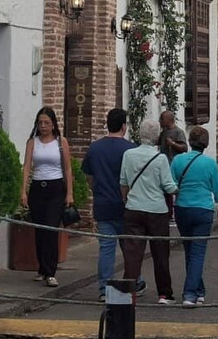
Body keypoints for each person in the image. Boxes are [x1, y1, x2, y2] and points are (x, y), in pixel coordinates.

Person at [120, 118, 179, 304]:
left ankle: (128, 293)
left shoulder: (128, 155)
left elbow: (123, 182)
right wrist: (178, 188)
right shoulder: (160, 158)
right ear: (156, 137)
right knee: (160, 253)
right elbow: (168, 186)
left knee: (132, 254)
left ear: (140, 134)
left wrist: (126, 199)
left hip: (134, 208)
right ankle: (164, 293)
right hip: (156, 210)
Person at [82, 108, 138, 300]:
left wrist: (96, 191)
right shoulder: (131, 149)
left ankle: (104, 289)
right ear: (124, 126)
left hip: (103, 202)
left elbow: (89, 177)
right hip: (126, 205)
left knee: (106, 248)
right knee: (129, 247)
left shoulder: (94, 148)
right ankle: (132, 282)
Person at [171, 126, 218, 308]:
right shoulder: (209, 164)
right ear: (206, 143)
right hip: (203, 209)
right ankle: (189, 293)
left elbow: (170, 183)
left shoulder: (178, 160)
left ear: (189, 141)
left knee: (190, 250)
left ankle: (199, 290)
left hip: (182, 208)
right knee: (198, 252)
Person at [20, 107, 74, 287]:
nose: (43, 126)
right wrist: (23, 191)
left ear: (53, 125)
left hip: (55, 188)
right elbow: (27, 167)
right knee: (40, 230)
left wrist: (69, 193)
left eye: (47, 123)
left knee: (51, 229)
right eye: (40, 123)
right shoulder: (32, 142)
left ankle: (51, 272)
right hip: (38, 188)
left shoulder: (61, 142)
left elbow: (67, 168)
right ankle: (42, 268)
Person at [159, 110, 188, 225]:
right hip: (164, 164)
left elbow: (184, 148)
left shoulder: (178, 132)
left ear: (169, 119)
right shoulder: (164, 132)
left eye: (162, 119)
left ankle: (177, 213)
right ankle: (168, 213)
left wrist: (173, 144)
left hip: (175, 164)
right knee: (166, 191)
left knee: (175, 189)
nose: (160, 121)